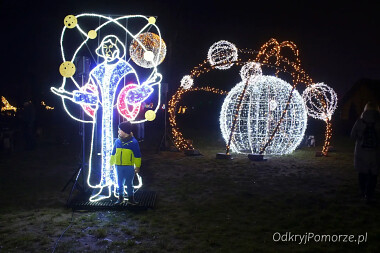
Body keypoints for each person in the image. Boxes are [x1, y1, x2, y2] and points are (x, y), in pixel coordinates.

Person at [350, 101, 380, 203]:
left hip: (361, 152)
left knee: (362, 173)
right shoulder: (379, 122)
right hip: (376, 153)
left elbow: (352, 136)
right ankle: (369, 194)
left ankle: (363, 192)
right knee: (373, 175)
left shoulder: (360, 121)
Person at [110, 121, 141, 205]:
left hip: (129, 166)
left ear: (125, 131)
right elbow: (113, 153)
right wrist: (111, 163)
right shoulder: (117, 141)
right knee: (119, 182)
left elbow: (137, 155)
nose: (118, 131)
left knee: (129, 183)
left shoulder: (133, 143)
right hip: (118, 166)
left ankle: (131, 198)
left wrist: (137, 166)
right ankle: (120, 198)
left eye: (120, 130)